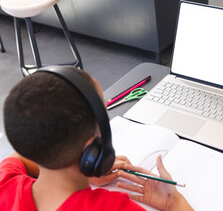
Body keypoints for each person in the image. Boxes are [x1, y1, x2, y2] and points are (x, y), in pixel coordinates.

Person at [0, 67, 193, 211]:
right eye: (105, 112)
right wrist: (173, 202)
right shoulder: (114, 208)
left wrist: (79, 170)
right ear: (93, 150)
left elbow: (19, 153)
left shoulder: (5, 184)